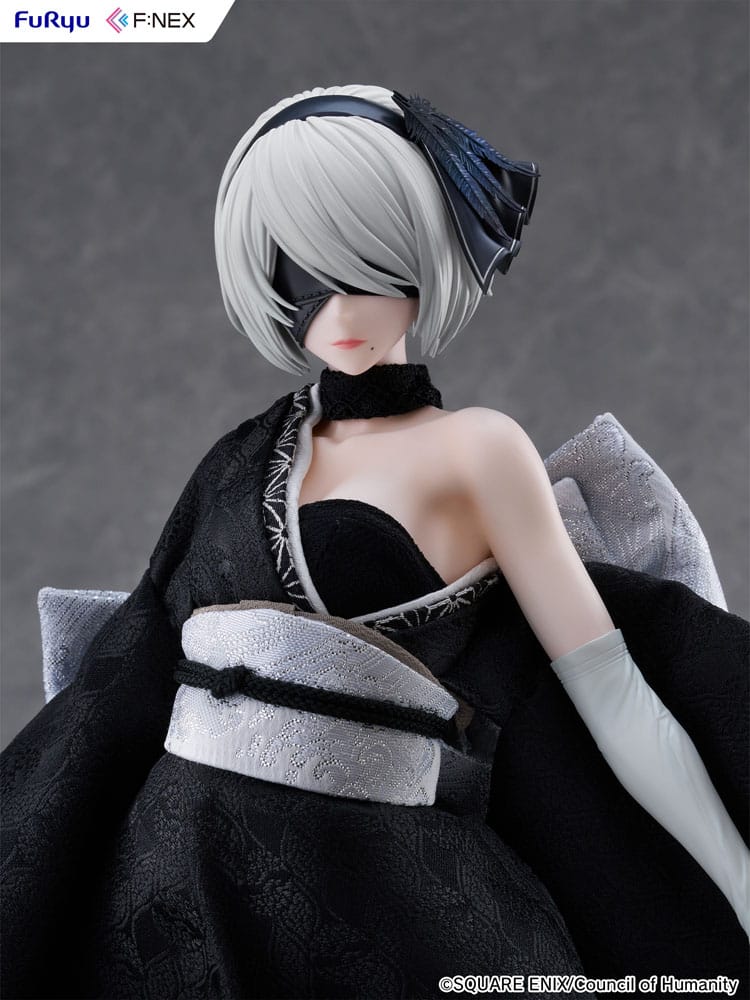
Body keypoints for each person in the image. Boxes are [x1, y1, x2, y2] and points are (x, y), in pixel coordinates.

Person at [1, 84, 747, 1000]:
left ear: (426, 252)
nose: (341, 311)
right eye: (300, 279)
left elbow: (612, 691)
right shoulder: (243, 459)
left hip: (379, 873)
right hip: (180, 870)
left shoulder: (477, 449)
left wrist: (738, 874)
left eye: (371, 266)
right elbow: (131, 677)